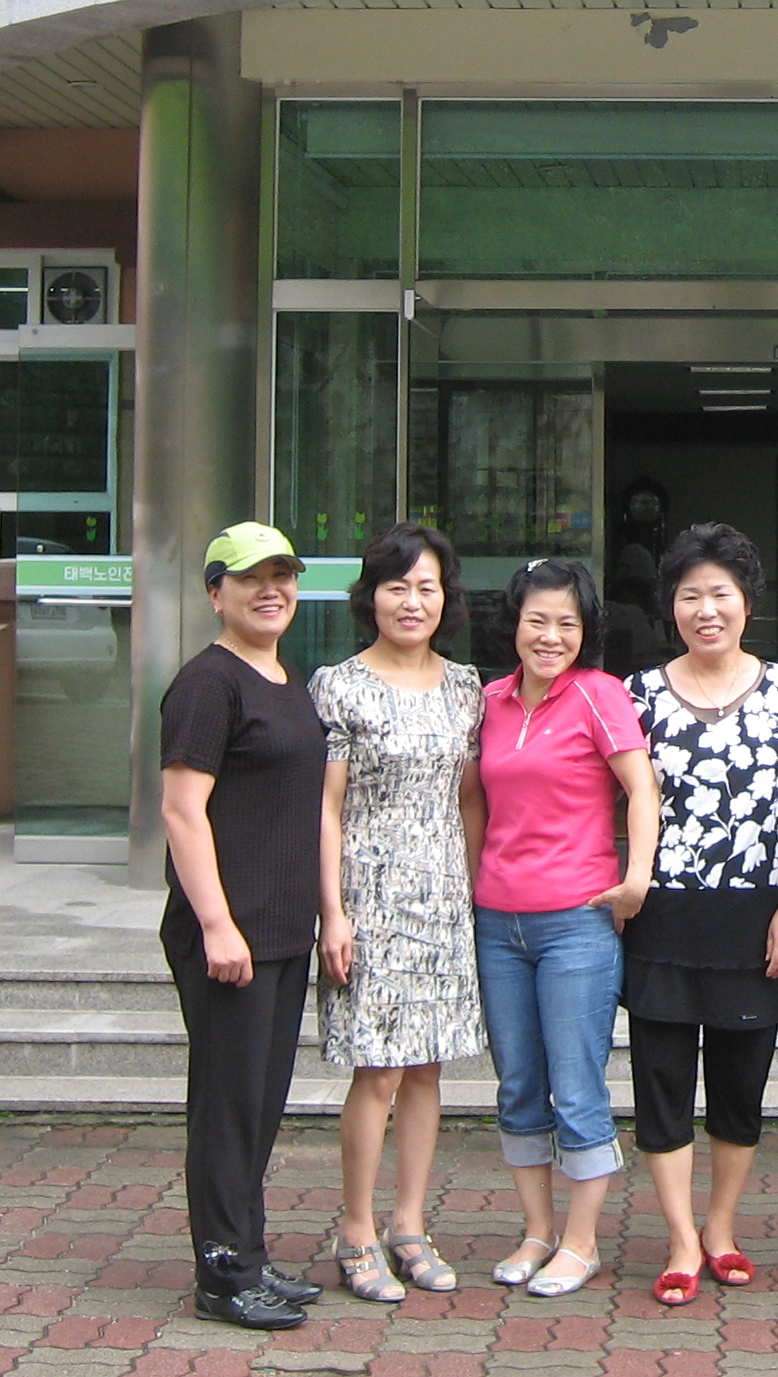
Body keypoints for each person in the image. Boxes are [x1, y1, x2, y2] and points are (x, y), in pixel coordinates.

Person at [620, 523, 778, 1307]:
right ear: (671, 606)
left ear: (747, 603)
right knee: (661, 1083)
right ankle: (678, 1238)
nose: (706, 610)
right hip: (661, 919)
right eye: (690, 595)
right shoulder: (636, 694)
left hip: (755, 919)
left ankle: (722, 1228)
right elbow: (617, 802)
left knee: (740, 1088)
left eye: (721, 595)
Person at [467, 557, 660, 1298]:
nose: (550, 636)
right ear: (514, 624)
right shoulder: (489, 700)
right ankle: (536, 1232)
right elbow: (474, 803)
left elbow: (641, 789)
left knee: (577, 1085)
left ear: (586, 632)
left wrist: (635, 877)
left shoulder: (600, 695)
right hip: (498, 923)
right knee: (518, 1085)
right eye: (537, 621)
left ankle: (581, 1243)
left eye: (567, 624)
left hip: (576, 922)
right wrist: (471, 883)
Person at [157, 522, 328, 1332]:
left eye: (282, 576)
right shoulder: (208, 684)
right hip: (230, 937)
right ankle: (223, 1275)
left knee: (259, 1104)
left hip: (283, 930)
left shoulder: (288, 679)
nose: (271, 590)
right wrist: (217, 924)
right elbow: (181, 812)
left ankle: (249, 1255)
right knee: (227, 1108)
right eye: (251, 578)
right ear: (214, 593)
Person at [312, 524, 487, 1303]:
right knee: (377, 1070)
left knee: (426, 1068)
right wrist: (332, 912)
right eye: (396, 586)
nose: (412, 601)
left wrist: (471, 894)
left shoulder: (466, 686)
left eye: (427, 587)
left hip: (444, 898)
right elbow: (326, 808)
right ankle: (356, 1229)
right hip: (370, 898)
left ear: (445, 598)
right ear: (371, 597)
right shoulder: (338, 686)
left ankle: (409, 1225)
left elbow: (470, 799)